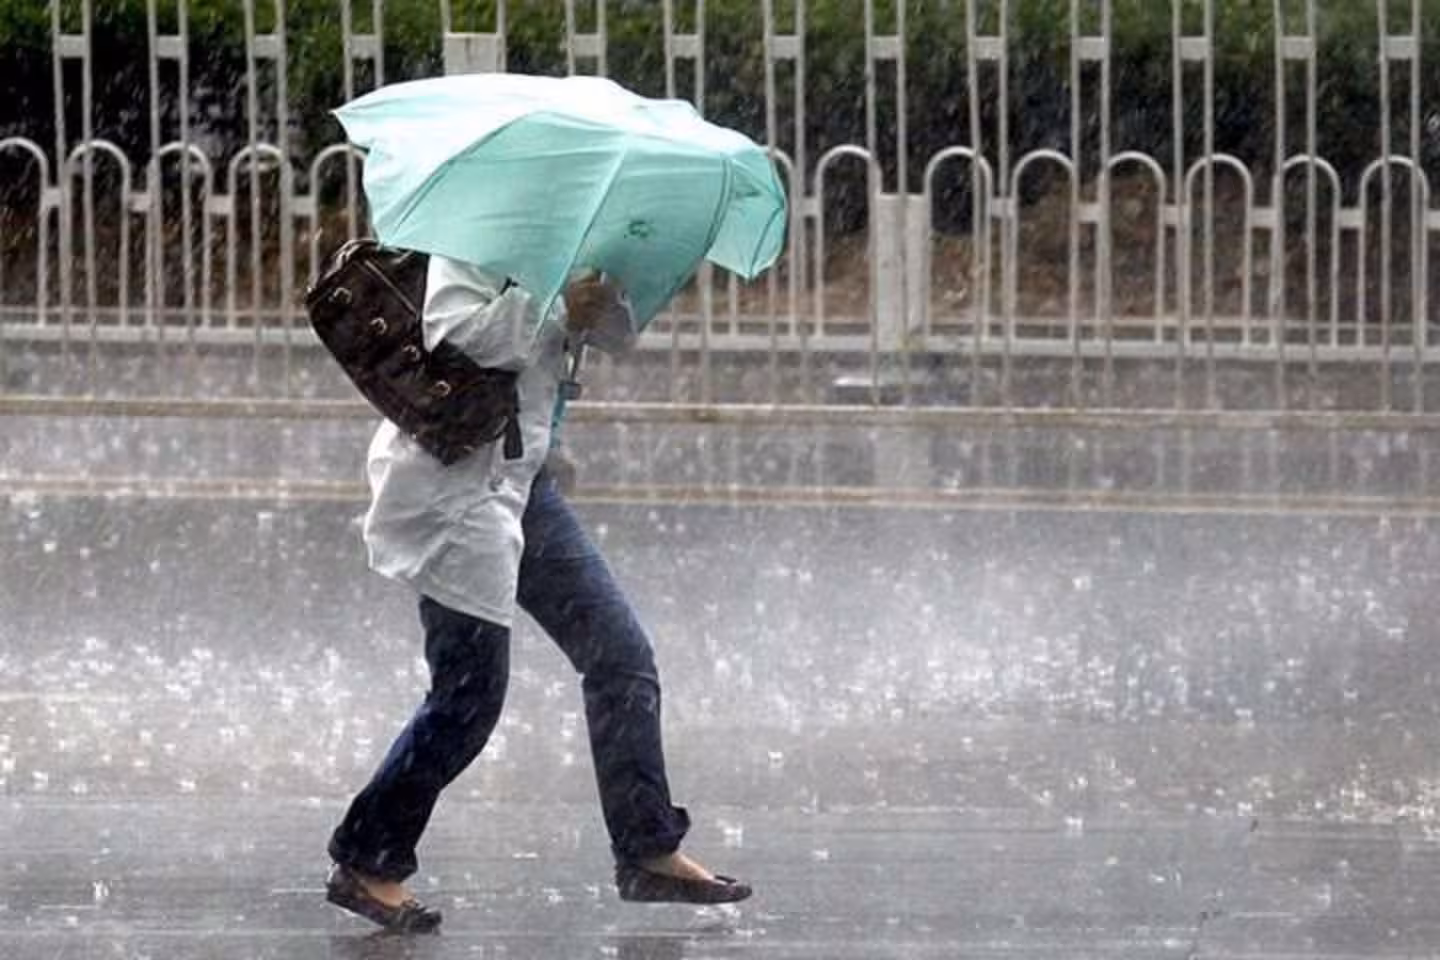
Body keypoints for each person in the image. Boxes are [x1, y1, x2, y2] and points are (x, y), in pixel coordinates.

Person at [323, 255, 751, 933]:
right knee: (467, 697)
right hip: (458, 488)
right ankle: (367, 858)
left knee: (620, 657)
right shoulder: (475, 235)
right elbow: (454, 334)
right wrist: (554, 309)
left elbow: (612, 335)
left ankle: (647, 849)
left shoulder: (574, 235)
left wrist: (603, 298)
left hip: (524, 485)